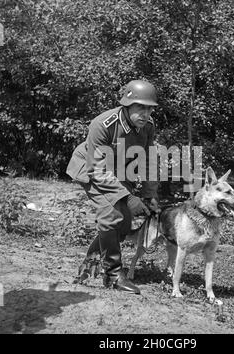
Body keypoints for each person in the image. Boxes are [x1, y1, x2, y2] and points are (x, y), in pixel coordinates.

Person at [66, 80, 159, 295]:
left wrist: (149, 194)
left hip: (118, 170)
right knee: (112, 215)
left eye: (149, 108)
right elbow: (97, 169)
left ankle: (91, 264)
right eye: (140, 107)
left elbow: (146, 160)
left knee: (124, 223)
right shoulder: (103, 124)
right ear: (126, 104)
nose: (145, 114)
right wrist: (128, 198)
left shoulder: (148, 127)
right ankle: (113, 274)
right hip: (91, 169)